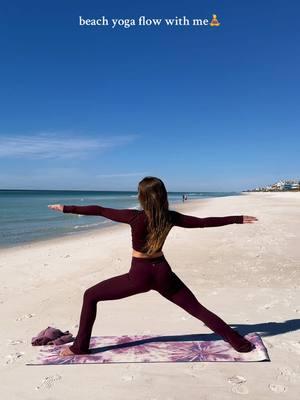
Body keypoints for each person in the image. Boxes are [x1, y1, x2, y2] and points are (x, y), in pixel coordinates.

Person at [48, 176, 257, 356]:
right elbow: (203, 222)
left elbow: (100, 210)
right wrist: (237, 219)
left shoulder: (134, 217)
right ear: (163, 195)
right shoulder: (170, 217)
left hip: (139, 276)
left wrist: (67, 208)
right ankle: (239, 343)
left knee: (90, 295)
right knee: (198, 310)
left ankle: (80, 347)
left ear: (142, 198)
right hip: (163, 273)